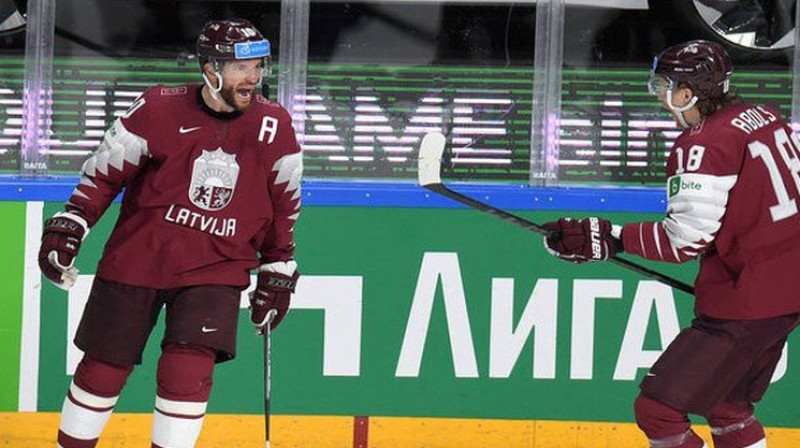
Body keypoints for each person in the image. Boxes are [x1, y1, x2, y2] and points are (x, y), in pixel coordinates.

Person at [37, 18, 303, 448]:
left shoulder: (275, 126)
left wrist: (279, 262)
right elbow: (104, 176)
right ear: (211, 69)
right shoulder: (158, 108)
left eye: (258, 67)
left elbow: (284, 204)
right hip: (139, 257)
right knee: (104, 366)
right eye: (241, 68)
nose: (252, 78)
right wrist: (74, 220)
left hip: (217, 264)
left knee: (187, 370)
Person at [543, 40, 800, 448]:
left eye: (664, 85)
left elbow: (684, 242)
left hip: (747, 302)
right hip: (785, 295)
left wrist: (610, 238)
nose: (660, 95)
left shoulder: (704, 144)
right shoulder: (763, 117)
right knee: (728, 410)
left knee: (658, 411)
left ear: (688, 92)